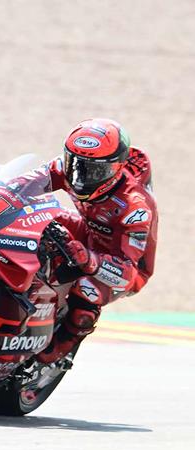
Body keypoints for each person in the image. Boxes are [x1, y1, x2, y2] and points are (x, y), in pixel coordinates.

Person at [12, 118, 158, 364]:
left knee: (87, 291)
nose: (82, 176)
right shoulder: (70, 168)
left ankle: (52, 355)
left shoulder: (135, 207)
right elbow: (22, 186)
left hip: (124, 266)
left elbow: (127, 273)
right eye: (76, 163)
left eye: (95, 170)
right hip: (88, 233)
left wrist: (88, 260)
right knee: (38, 215)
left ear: (117, 167)